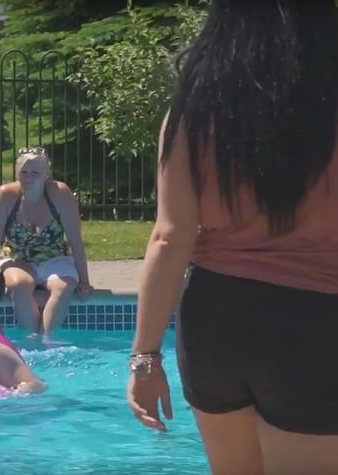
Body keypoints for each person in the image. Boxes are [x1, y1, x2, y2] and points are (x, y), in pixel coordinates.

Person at [126, 1, 338, 473]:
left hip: (214, 323)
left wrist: (144, 357)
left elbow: (169, 238)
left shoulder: (193, 112)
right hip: (314, 322)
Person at [0, 147, 92, 335]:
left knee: (64, 286)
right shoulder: (6, 196)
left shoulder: (60, 194)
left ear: (46, 175)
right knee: (19, 286)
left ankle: (46, 340)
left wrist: (84, 281)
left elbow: (76, 241)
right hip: (17, 259)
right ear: (17, 173)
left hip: (55, 258)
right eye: (24, 172)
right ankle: (32, 339)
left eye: (35, 172)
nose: (29, 177)